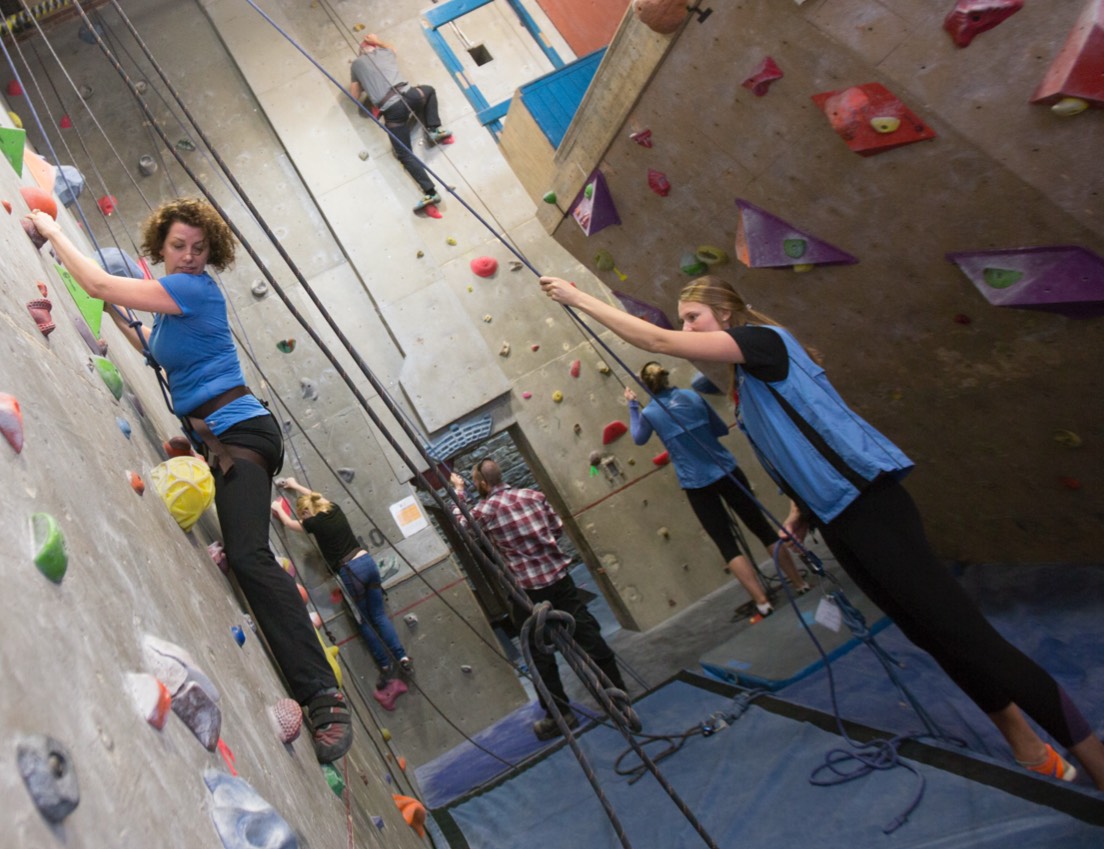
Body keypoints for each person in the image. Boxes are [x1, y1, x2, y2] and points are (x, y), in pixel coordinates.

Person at [539, 272, 1104, 788]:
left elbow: (657, 343)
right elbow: (801, 444)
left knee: (971, 636)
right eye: (683, 319)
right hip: (841, 520)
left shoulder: (765, 342)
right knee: (930, 634)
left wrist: (578, 299)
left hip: (871, 509)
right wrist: (797, 514)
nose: (686, 328)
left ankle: (1097, 762)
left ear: (726, 315)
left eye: (693, 318)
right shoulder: (745, 383)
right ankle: (1026, 746)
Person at [27, 199, 353, 764]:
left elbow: (101, 282)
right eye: (179, 246)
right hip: (227, 440)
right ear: (163, 245)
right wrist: (78, 281)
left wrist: (52, 228)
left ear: (211, 254)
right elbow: (149, 346)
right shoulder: (173, 307)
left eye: (199, 249)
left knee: (250, 556)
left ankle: (324, 699)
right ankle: (310, 682)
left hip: (242, 433)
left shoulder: (197, 292)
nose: (189, 255)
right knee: (249, 554)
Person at [449, 459, 626, 740]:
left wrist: (458, 491)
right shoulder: (533, 496)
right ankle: (618, 694)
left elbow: (463, 526)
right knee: (588, 632)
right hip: (560, 580)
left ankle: (561, 715)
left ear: (481, 484)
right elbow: (555, 529)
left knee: (538, 654)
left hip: (528, 592)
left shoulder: (484, 511)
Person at [626, 361, 809, 619]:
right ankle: (799, 583)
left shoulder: (651, 413)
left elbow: (638, 437)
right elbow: (720, 428)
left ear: (646, 385)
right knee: (762, 527)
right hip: (726, 470)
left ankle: (762, 602)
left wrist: (633, 405)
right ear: (666, 378)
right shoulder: (692, 396)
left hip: (696, 484)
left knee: (726, 543)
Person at [271, 478, 411, 689]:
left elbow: (290, 524)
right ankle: (402, 657)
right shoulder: (333, 509)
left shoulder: (313, 522)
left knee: (365, 622)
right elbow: (315, 494)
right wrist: (296, 484)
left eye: (303, 515)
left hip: (350, 571)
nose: (303, 519)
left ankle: (384, 665)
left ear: (306, 513)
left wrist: (277, 509)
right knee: (379, 615)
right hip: (367, 562)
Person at [349, 34, 452, 212]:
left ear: (360, 52)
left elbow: (354, 96)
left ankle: (431, 192)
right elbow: (392, 48)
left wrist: (365, 84)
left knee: (404, 154)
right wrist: (378, 41)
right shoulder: (385, 52)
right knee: (429, 91)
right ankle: (433, 129)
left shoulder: (356, 65)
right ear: (374, 47)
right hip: (411, 96)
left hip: (392, 110)